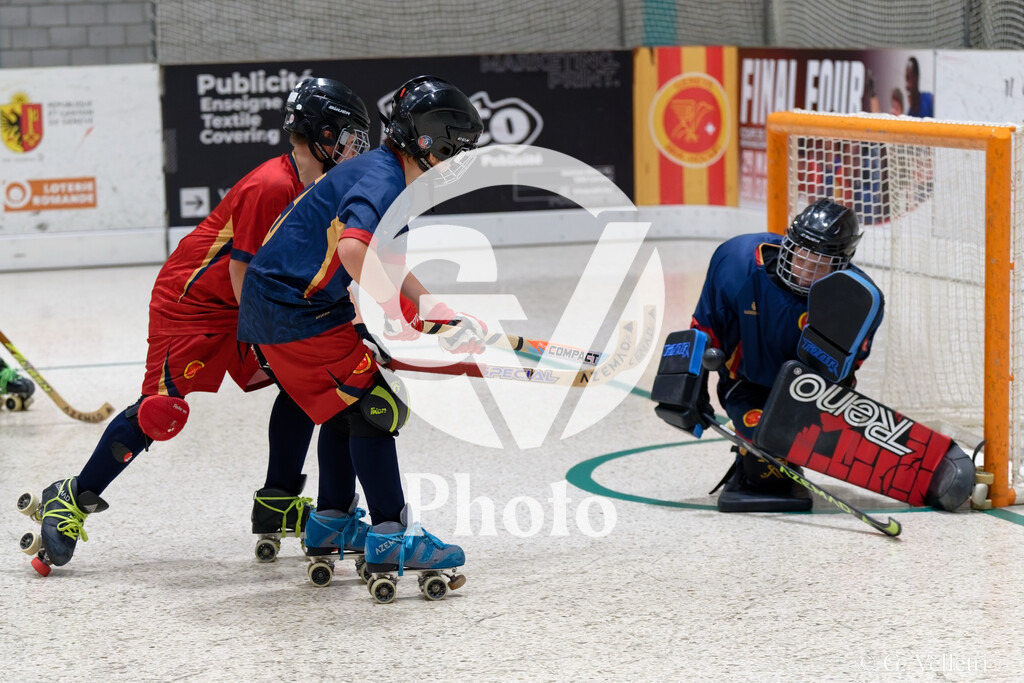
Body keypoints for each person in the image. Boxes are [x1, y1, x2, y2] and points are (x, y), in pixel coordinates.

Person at [23, 77, 372, 576]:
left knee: (301, 384)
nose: (356, 149)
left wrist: (348, 322)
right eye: (349, 137)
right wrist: (273, 335)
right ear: (322, 134)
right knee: (160, 412)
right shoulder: (273, 186)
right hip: (192, 302)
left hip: (247, 301)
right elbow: (241, 271)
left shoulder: (322, 190)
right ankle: (72, 497)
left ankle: (277, 502)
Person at [237, 75, 487, 599]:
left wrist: (432, 310)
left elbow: (384, 261)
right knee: (377, 407)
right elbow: (354, 252)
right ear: (433, 143)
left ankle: (330, 522)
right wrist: (400, 314)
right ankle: (393, 534)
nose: (460, 162)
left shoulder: (383, 172)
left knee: (343, 407)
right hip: (294, 309)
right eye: (458, 149)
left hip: (287, 305)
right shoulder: (384, 179)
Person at [688, 198, 884, 513]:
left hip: (806, 393)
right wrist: (689, 385)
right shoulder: (736, 262)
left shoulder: (857, 301)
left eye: (819, 265)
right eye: (801, 257)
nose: (805, 271)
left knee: (784, 444)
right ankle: (751, 459)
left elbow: (844, 371)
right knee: (764, 466)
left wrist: (822, 414)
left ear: (841, 265)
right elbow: (704, 329)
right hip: (745, 385)